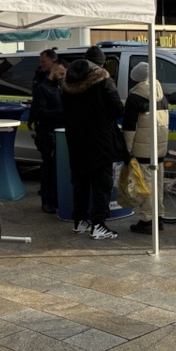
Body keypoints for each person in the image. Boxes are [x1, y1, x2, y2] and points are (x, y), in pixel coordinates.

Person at [61, 58, 126, 240]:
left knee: (80, 182)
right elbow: (117, 110)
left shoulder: (67, 85)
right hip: (100, 141)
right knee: (102, 184)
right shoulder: (103, 81)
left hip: (75, 140)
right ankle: (98, 225)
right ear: (100, 63)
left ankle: (80, 221)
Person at [122, 63, 169, 234]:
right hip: (159, 149)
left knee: (146, 185)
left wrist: (127, 149)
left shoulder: (135, 98)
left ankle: (147, 220)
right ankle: (159, 217)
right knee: (158, 184)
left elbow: (130, 128)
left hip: (142, 150)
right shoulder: (162, 95)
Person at [30, 51, 65, 213]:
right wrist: (61, 114)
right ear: (54, 70)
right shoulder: (43, 89)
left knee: (57, 168)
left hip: (58, 133)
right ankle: (47, 201)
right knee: (48, 168)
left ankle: (56, 199)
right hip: (47, 133)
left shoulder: (60, 87)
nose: (63, 76)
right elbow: (39, 112)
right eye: (61, 73)